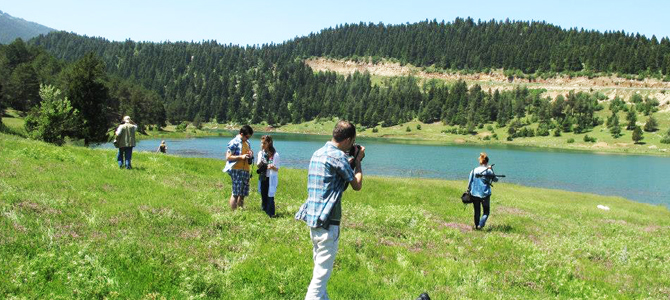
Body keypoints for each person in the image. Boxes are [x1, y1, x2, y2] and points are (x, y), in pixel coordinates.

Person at [295, 120, 364, 300]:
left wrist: (350, 159)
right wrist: (357, 162)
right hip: (329, 225)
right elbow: (356, 185)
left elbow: (336, 184)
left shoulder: (318, 153)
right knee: (318, 285)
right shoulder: (338, 158)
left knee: (320, 277)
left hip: (314, 222)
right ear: (348, 139)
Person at [223, 125, 254, 210]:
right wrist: (241, 157)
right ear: (241, 134)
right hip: (236, 170)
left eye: (249, 137)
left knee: (243, 193)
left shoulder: (247, 143)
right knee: (236, 193)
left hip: (246, 170)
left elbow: (247, 153)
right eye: (247, 137)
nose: (248, 139)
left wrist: (250, 154)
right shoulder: (234, 142)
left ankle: (240, 209)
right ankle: (233, 212)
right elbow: (228, 157)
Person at [466, 152, 498, 230]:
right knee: (486, 212)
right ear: (487, 162)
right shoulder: (488, 171)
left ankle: (477, 226)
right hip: (485, 195)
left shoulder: (474, 170)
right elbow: (496, 180)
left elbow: (469, 182)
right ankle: (481, 224)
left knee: (477, 211)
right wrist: (491, 170)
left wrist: (468, 191)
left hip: (474, 194)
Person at [256, 135, 280, 217]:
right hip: (263, 177)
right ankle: (264, 211)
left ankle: (271, 213)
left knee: (270, 196)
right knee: (263, 194)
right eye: (261, 143)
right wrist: (261, 164)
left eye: (264, 143)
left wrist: (272, 167)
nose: (262, 145)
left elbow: (277, 169)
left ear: (269, 143)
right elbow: (258, 166)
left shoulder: (275, 154)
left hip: (271, 177)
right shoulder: (260, 153)